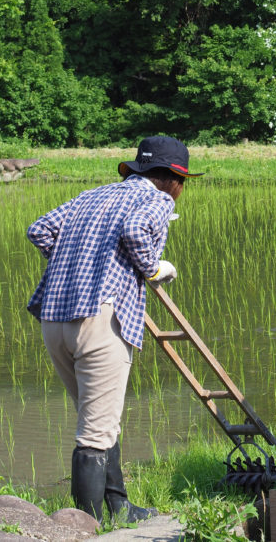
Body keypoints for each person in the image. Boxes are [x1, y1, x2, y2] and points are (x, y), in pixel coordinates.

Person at [26, 135, 203, 523]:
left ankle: (119, 507)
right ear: (173, 178)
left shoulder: (92, 195)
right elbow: (137, 230)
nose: (181, 191)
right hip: (100, 322)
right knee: (94, 434)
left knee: (99, 420)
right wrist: (155, 269)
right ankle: (83, 528)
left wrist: (79, 261)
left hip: (55, 319)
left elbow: (39, 230)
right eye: (184, 182)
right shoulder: (156, 200)